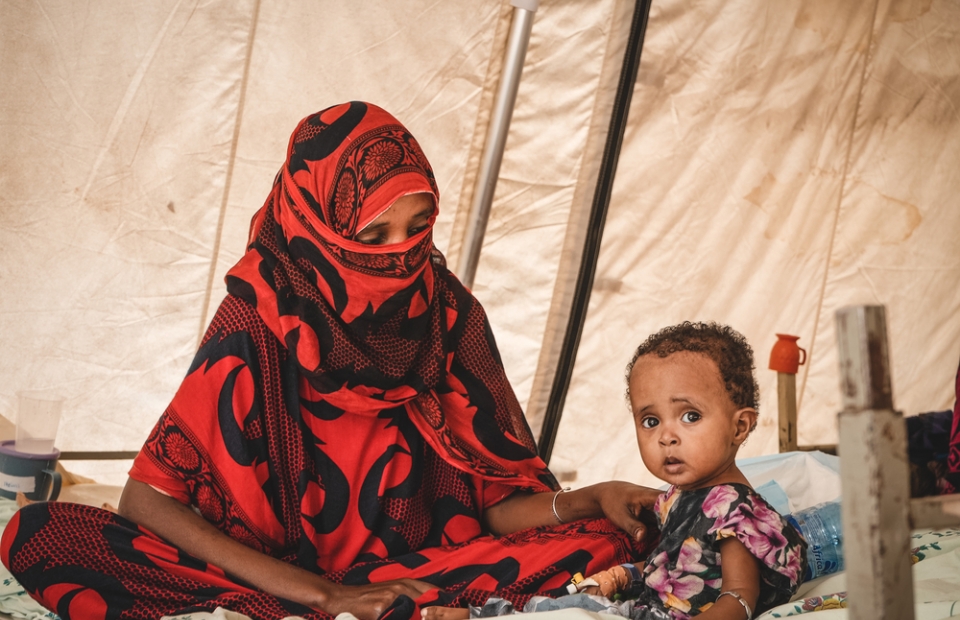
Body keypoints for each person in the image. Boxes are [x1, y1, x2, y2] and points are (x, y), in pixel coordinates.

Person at [1, 102, 659, 620]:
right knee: (40, 534)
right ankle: (312, 611)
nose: (399, 255)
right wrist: (322, 596)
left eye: (417, 226)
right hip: (274, 571)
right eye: (373, 235)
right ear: (317, 223)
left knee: (607, 538)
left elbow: (497, 505)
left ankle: (326, 613)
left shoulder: (447, 313)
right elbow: (148, 501)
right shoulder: (258, 316)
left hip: (414, 571)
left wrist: (592, 498)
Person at [434, 322, 807, 620]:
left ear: (739, 427)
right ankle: (483, 614)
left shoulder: (733, 509)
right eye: (649, 420)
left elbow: (738, 598)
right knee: (555, 606)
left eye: (690, 416)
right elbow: (679, 563)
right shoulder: (682, 497)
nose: (666, 437)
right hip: (642, 606)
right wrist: (620, 575)